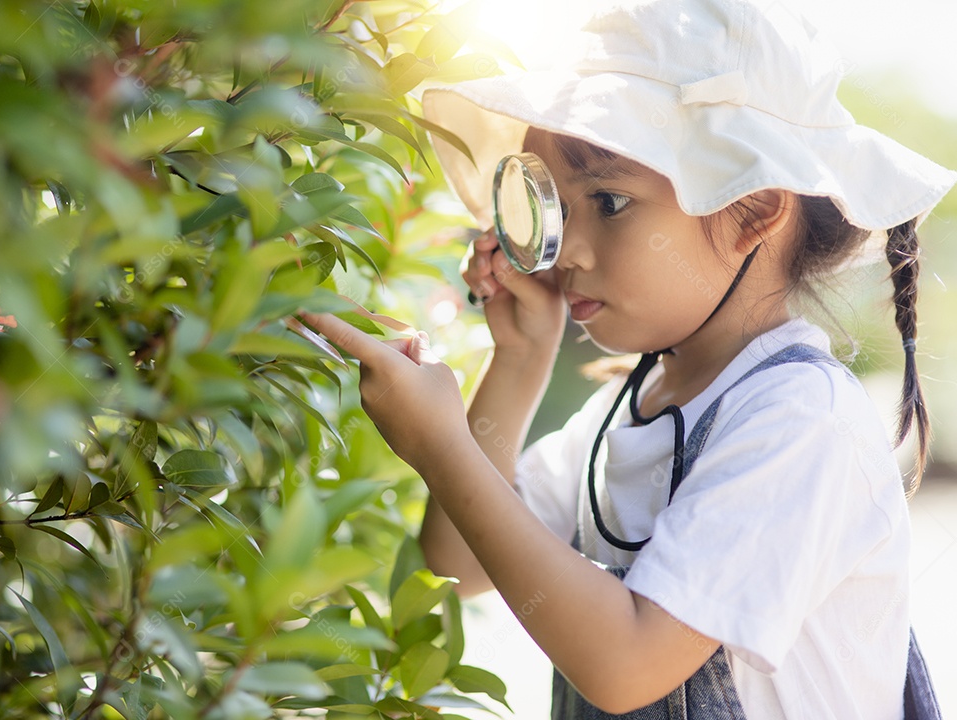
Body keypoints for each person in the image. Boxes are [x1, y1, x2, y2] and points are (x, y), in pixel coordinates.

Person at [301, 0, 956, 717]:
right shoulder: (626, 410)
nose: (567, 251)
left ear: (755, 210)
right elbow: (454, 567)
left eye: (608, 202)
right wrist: (520, 360)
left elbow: (626, 663)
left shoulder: (801, 423)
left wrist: (444, 444)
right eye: (553, 207)